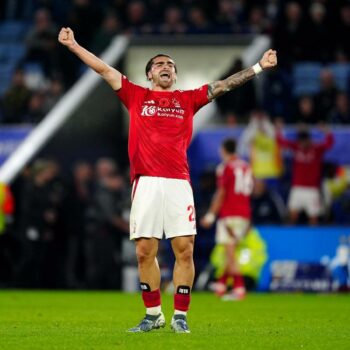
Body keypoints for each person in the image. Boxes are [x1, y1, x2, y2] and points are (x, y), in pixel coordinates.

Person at [58, 26, 277, 333]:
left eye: (170, 65)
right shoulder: (135, 95)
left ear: (174, 76)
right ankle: (153, 314)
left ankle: (181, 316)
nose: (166, 67)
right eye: (160, 64)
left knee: (184, 249)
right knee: (145, 251)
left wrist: (258, 67)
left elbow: (224, 85)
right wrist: (74, 46)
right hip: (146, 182)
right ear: (149, 74)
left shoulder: (187, 100)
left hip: (177, 183)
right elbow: (103, 68)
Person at [200, 139, 254, 300]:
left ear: (224, 150)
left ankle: (239, 288)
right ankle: (222, 284)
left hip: (229, 214)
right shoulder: (246, 166)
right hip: (244, 214)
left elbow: (221, 193)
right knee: (229, 251)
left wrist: (210, 215)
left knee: (230, 253)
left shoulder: (225, 167)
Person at [277, 126, 334, 225]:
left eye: (304, 141)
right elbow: (281, 142)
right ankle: (289, 238)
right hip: (297, 188)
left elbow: (329, 144)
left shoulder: (317, 149)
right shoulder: (295, 147)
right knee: (292, 216)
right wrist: (278, 131)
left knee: (313, 218)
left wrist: (327, 132)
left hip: (312, 190)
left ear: (309, 140)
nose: (302, 144)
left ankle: (314, 238)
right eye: (300, 141)